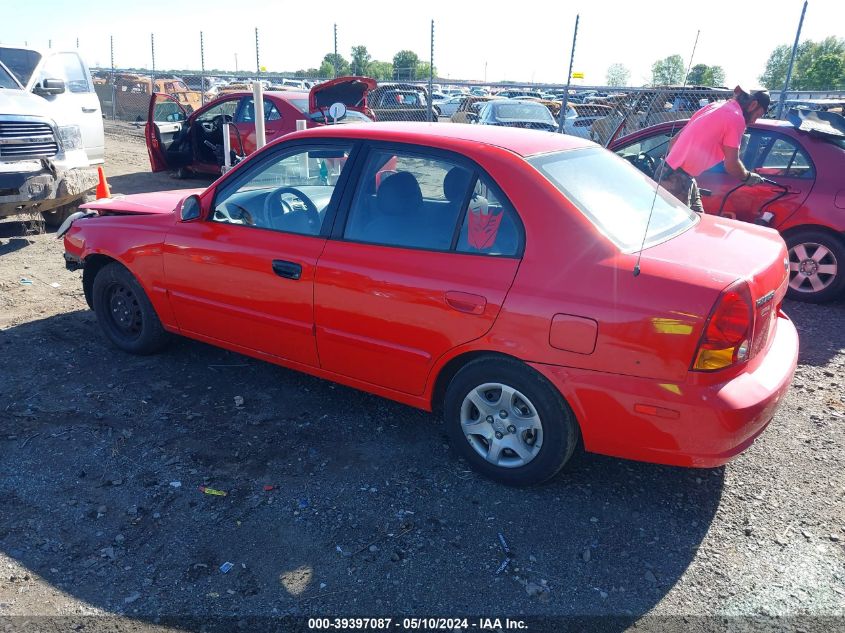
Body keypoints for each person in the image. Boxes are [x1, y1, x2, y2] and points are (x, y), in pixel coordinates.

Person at [658, 86, 771, 212]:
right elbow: (731, 165)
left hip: (672, 172)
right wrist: (748, 177)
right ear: (752, 105)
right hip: (676, 178)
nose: (754, 121)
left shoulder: (715, 106)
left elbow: (674, 142)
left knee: (699, 223)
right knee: (681, 228)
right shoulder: (736, 118)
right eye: (757, 115)